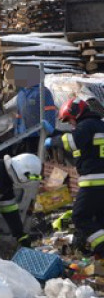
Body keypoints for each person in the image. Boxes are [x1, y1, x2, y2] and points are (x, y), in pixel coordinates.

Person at [47, 98, 104, 257]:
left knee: (80, 216)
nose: (70, 124)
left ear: (76, 113)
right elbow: (78, 137)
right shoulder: (98, 125)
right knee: (99, 219)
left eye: (69, 120)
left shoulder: (86, 126)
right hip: (100, 180)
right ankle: (93, 252)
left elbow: (72, 141)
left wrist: (53, 141)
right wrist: (56, 133)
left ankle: (102, 249)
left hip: (93, 180)